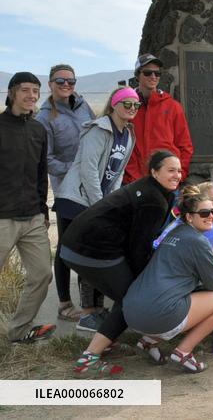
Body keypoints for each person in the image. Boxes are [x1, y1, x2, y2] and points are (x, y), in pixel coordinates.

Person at [60, 150, 181, 377]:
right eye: (171, 170)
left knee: (127, 293)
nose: (177, 175)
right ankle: (88, 360)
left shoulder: (153, 189)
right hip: (90, 250)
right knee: (132, 299)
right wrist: (145, 281)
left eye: (179, 170)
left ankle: (106, 340)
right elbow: (138, 248)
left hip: (78, 244)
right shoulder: (154, 200)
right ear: (154, 172)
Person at [123, 186, 213, 373]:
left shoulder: (173, 232)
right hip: (158, 314)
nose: (211, 216)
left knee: (181, 301)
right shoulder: (199, 241)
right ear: (189, 217)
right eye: (204, 213)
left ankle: (148, 342)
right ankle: (183, 352)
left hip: (131, 312)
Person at [54, 87, 139, 331]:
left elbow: (118, 172)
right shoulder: (98, 130)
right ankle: (76, 307)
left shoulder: (129, 134)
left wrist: (108, 204)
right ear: (114, 105)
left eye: (136, 105)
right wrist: (100, 205)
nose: (131, 109)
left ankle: (94, 309)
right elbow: (88, 170)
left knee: (91, 252)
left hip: (98, 201)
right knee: (70, 252)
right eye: (127, 104)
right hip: (75, 199)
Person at [37, 64, 96, 322]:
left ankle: (89, 304)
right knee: (65, 246)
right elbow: (46, 159)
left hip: (91, 188)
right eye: (60, 80)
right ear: (50, 83)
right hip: (67, 192)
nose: (66, 85)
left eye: (71, 81)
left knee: (87, 243)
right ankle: (64, 304)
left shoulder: (84, 107)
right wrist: (75, 170)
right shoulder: (44, 118)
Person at [0, 72, 55, 344]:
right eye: (25, 90)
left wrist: (43, 211)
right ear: (11, 93)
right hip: (2, 218)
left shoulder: (38, 130)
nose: (31, 95)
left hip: (32, 216)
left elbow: (40, 172)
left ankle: (18, 331)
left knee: (43, 274)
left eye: (35, 90)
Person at [123, 53, 193, 183]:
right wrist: (133, 178)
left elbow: (185, 145)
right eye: (148, 73)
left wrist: (179, 175)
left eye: (157, 73)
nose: (153, 76)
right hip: (135, 182)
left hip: (167, 182)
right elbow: (121, 144)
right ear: (138, 75)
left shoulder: (173, 106)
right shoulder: (127, 105)